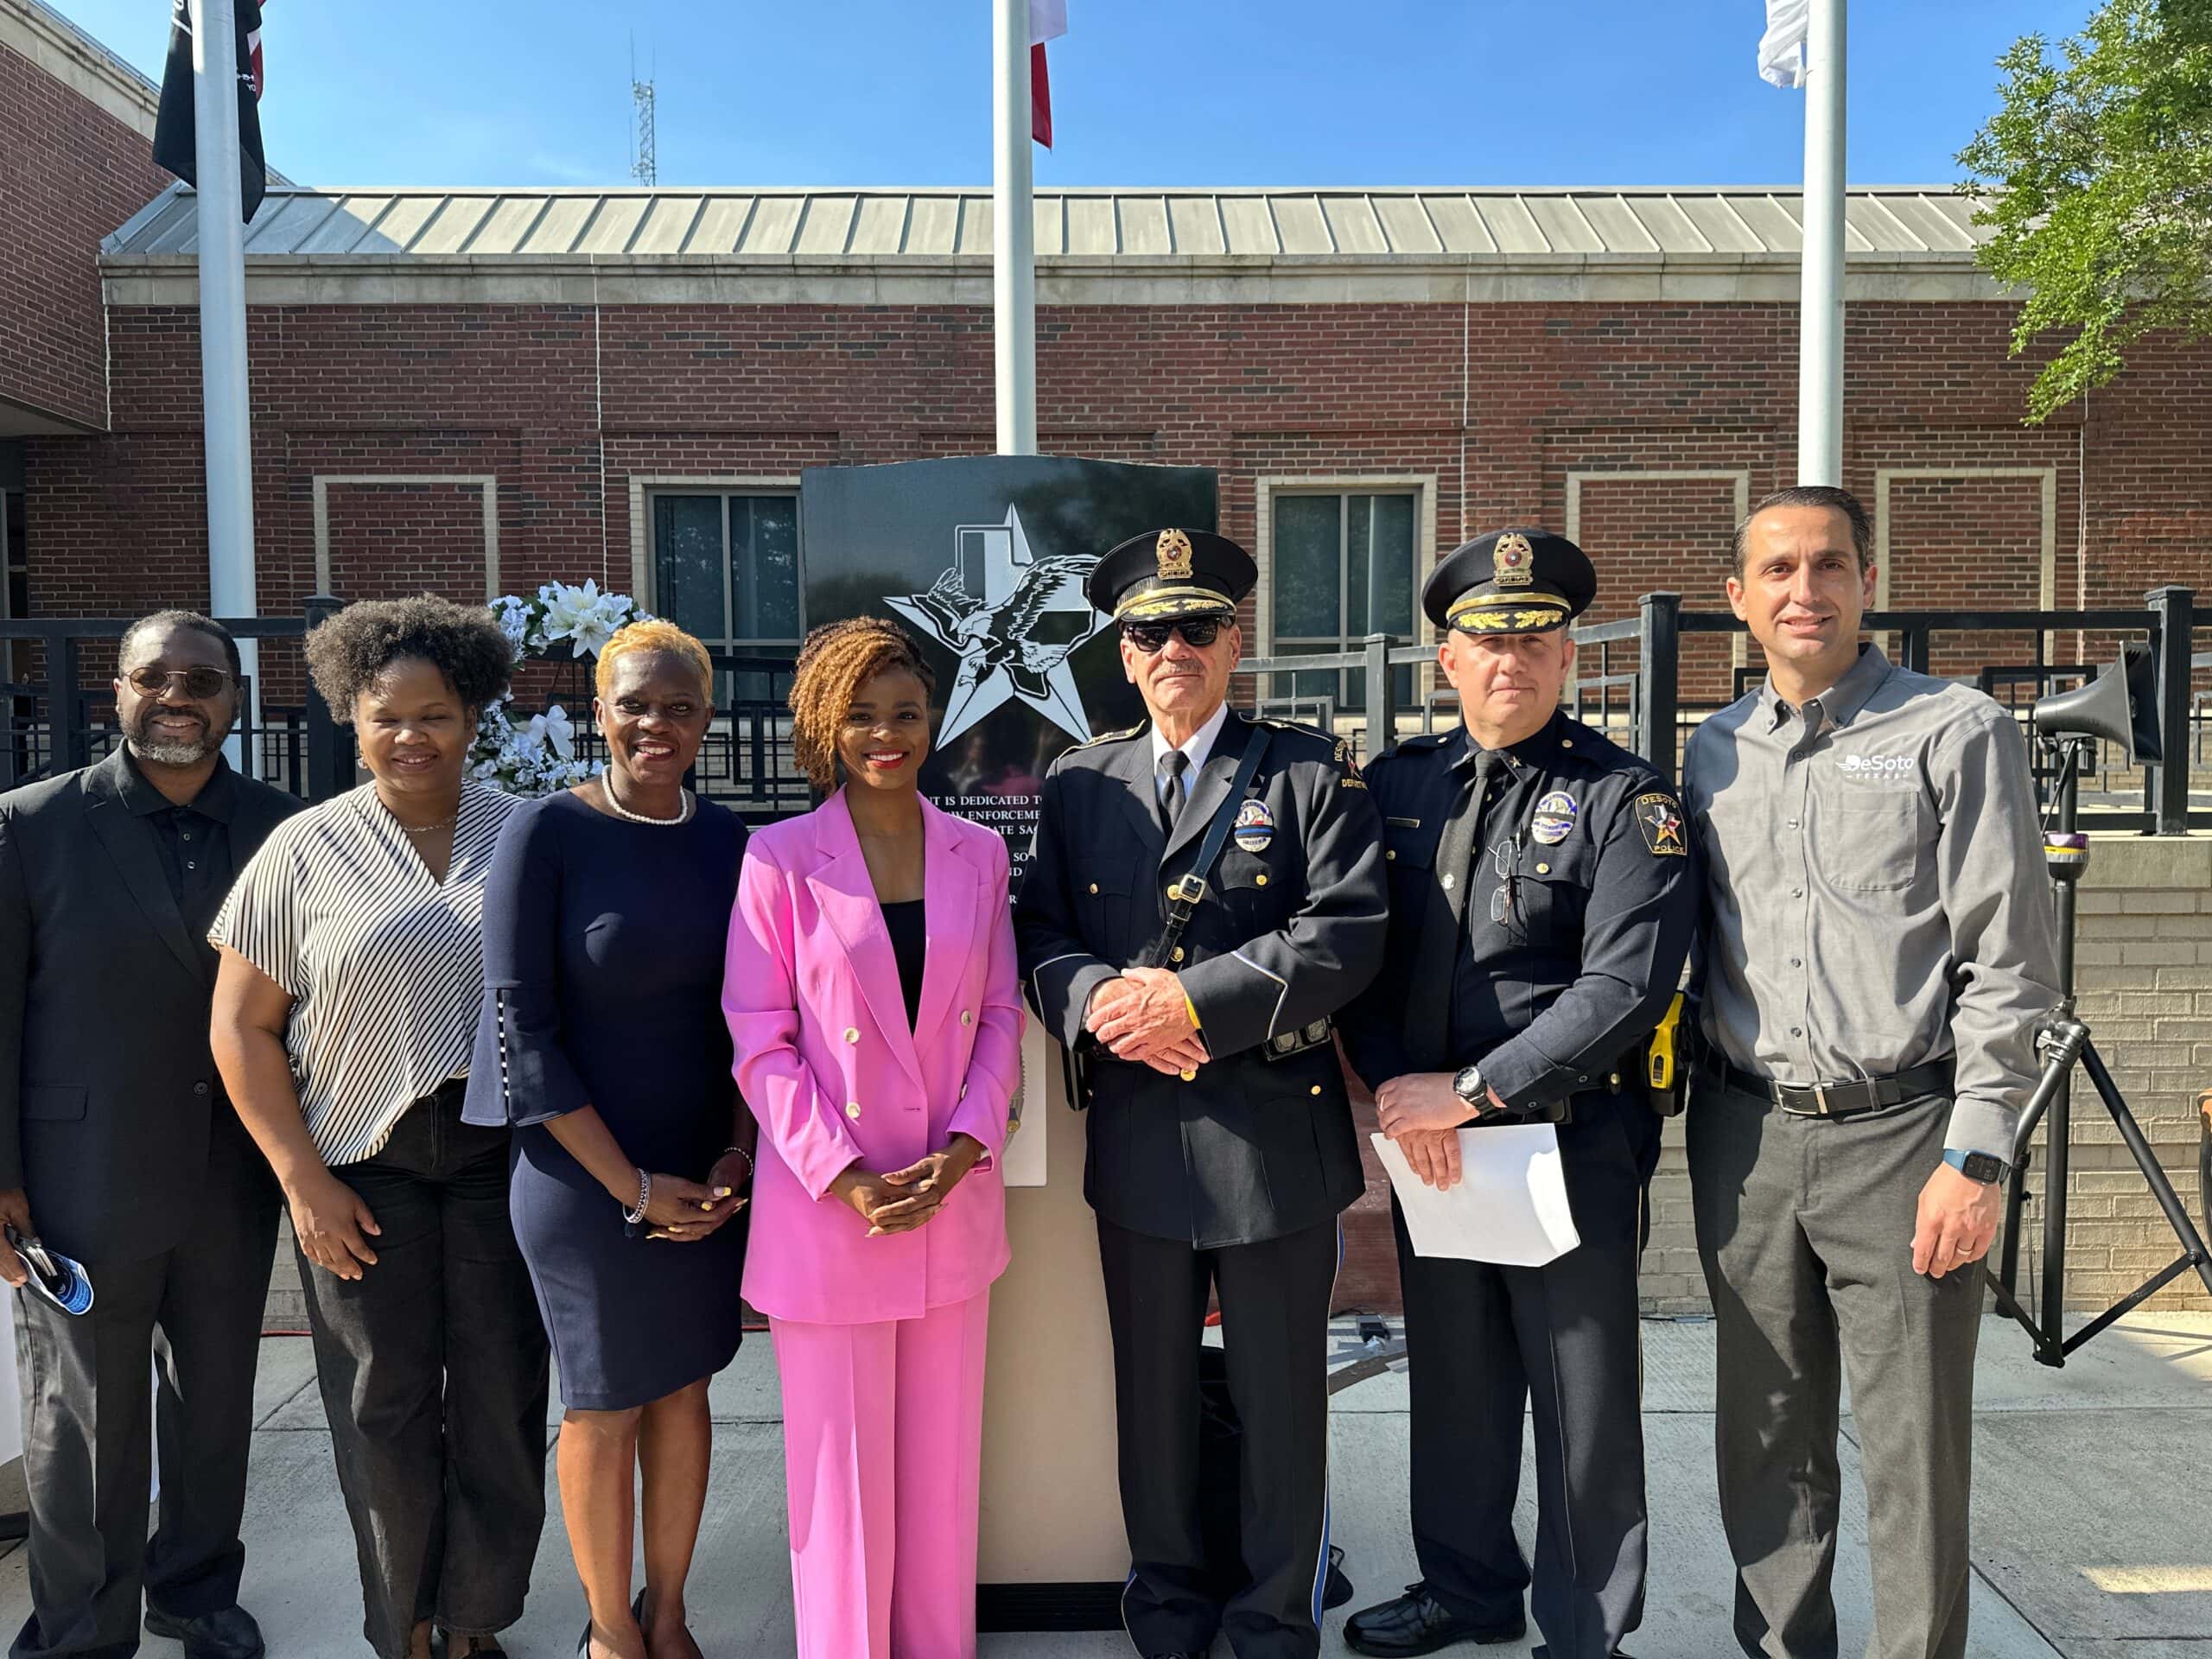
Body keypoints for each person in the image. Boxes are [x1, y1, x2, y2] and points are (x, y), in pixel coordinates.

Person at [1681, 486, 2061, 1659]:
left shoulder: (1955, 730)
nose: (1808, 590)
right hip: (1744, 1136)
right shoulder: (1711, 751)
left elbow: (2013, 965)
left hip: (1906, 1137)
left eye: (1831, 565)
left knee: (1912, 1450)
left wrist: (1978, 1153)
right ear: (1740, 600)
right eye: (1780, 570)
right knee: (1765, 1435)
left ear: (1867, 581)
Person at [1014, 530, 1389, 1659]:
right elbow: (1039, 929)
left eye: (1196, 627)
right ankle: (1169, 1612)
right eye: (1148, 632)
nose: (1173, 648)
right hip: (1137, 1135)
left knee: (1283, 1408)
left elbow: (1348, 933)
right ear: (1123, 656)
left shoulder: (1309, 771)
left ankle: (1275, 1621)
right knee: (1155, 1403)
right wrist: (1095, 1002)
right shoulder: (1083, 780)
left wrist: (1190, 1006)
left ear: (1237, 640)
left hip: (1273, 1136)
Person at [1338, 530, 1698, 1659]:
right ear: (1447, 659)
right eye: (1488, 642)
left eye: (1536, 640)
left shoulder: (1624, 798)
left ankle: (1585, 1628)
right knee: (1457, 1386)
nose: (1513, 661)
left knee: (1581, 1400)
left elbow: (1626, 988)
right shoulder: (1396, 786)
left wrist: (1470, 1092)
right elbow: (1358, 955)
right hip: (1433, 1152)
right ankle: (1466, 1590)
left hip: (1569, 1148)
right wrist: (1403, 1090)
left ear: (1568, 656)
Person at [208, 597, 550, 1659]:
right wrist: (300, 1180)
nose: (411, 736)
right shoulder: (302, 849)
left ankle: (477, 1619)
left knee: (500, 1400)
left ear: (474, 717)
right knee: (381, 1409)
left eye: (436, 714)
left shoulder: (527, 835)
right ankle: (400, 1619)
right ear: (350, 721)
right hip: (361, 1166)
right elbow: (242, 1029)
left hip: (503, 1159)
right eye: (384, 716)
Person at [722, 617, 1024, 1659]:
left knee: (941, 1479)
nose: (886, 734)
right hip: (833, 1214)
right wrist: (844, 1175)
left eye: (905, 713)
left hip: (948, 1202)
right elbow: (758, 1043)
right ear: (824, 724)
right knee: (840, 1486)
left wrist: (968, 1146)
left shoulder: (977, 852)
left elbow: (997, 1016)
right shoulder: (778, 858)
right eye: (861, 715)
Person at [0, 612, 300, 1659]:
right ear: (117, 692)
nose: (179, 696)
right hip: (79, 1173)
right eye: (155, 677)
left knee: (216, 1400)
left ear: (236, 699)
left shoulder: (285, 829)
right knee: (84, 1421)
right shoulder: (30, 823)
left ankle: (195, 1589)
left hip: (234, 1169)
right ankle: (81, 1626)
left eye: (204, 680)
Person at [463, 620, 752, 1659]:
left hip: (705, 1172)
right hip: (584, 1178)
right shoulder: (544, 833)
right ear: (600, 711)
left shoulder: (732, 844)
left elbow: (756, 1024)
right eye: (635, 704)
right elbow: (519, 1036)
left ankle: (670, 1615)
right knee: (604, 1403)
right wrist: (633, 1187)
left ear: (706, 718)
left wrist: (734, 1159)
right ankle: (611, 1631)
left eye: (679, 706)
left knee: (683, 1386)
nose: (656, 724)